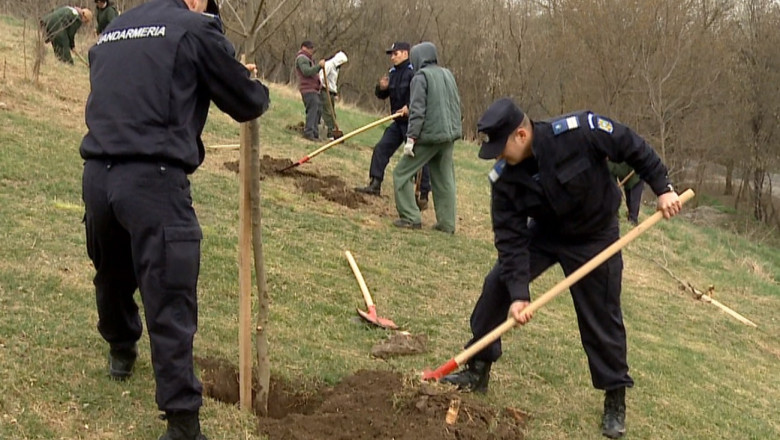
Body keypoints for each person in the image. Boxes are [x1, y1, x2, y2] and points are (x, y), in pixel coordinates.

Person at [79, 0, 270, 438]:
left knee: (111, 271)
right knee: (169, 298)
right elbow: (244, 101)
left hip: (97, 175)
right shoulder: (195, 29)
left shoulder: (116, 28)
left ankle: (120, 348)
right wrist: (254, 85)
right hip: (154, 180)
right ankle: (183, 423)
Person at [439, 98, 682, 439]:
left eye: (499, 147)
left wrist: (663, 189)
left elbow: (631, 145)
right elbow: (510, 239)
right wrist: (519, 294)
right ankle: (478, 367)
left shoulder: (580, 132)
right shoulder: (504, 178)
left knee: (601, 315)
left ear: (521, 134)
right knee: (497, 286)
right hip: (547, 235)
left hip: (596, 236)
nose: (496, 156)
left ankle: (615, 399)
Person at [391, 41, 461, 232]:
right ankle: (447, 224)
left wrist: (411, 138)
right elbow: (455, 104)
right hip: (449, 136)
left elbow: (418, 111)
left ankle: (410, 217)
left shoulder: (420, 78)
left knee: (401, 174)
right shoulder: (448, 74)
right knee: (445, 179)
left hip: (429, 137)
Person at [355, 41, 431, 209]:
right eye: (391, 54)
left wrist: (409, 108)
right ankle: (375, 183)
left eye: (395, 54)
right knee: (381, 148)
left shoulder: (414, 73)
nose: (392, 57)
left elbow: (421, 97)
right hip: (397, 122)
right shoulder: (393, 73)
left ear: (405, 53)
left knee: (418, 157)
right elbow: (383, 95)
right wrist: (381, 88)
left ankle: (423, 193)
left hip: (412, 123)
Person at [295, 40, 325, 141]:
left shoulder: (308, 59)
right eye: (310, 48)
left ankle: (315, 133)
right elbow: (306, 72)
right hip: (307, 89)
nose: (312, 50)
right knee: (313, 110)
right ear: (304, 47)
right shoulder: (302, 58)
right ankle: (308, 132)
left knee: (318, 110)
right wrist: (319, 67)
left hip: (313, 89)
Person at [318, 51, 348, 140]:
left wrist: (335, 93)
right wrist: (323, 86)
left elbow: (333, 82)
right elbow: (321, 77)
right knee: (328, 112)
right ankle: (329, 133)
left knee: (332, 114)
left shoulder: (336, 68)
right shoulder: (329, 65)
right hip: (324, 91)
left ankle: (333, 130)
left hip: (331, 92)